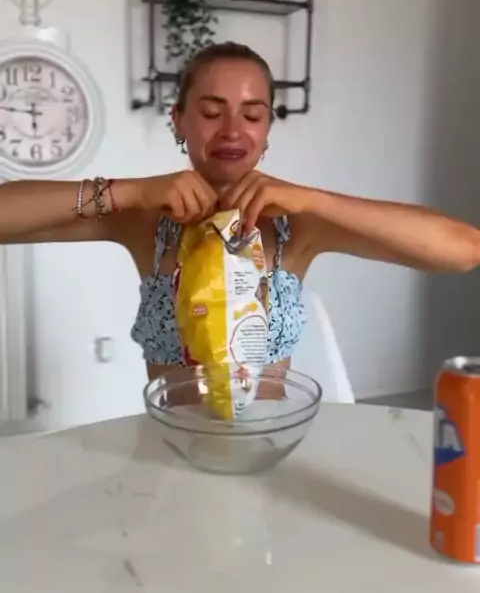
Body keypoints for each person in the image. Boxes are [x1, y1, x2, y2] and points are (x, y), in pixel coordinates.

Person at [0, 40, 479, 383]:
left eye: (252, 115)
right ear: (178, 121)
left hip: (270, 450)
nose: (232, 130)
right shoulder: (147, 221)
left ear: (267, 128)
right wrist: (130, 191)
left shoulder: (298, 228)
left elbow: (464, 249)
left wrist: (315, 199)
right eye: (211, 113)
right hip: (174, 450)